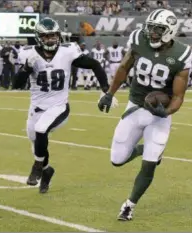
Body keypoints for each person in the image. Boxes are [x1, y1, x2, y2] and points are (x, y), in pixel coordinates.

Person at [98, 9, 192, 221]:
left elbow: (178, 96)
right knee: (117, 159)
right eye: (151, 28)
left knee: (150, 162)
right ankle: (142, 149)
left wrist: (166, 111)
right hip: (135, 105)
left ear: (169, 31)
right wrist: (109, 94)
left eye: (158, 29)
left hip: (159, 114)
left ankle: (129, 205)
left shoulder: (182, 54)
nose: (152, 33)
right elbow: (123, 68)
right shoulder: (138, 39)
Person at [13, 17, 117, 194]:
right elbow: (16, 85)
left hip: (58, 106)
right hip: (36, 107)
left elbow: (94, 64)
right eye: (46, 37)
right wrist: (26, 69)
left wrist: (106, 90)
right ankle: (47, 171)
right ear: (39, 38)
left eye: (53, 36)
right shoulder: (28, 54)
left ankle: (37, 166)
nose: (51, 40)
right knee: (36, 142)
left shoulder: (67, 52)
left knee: (40, 130)